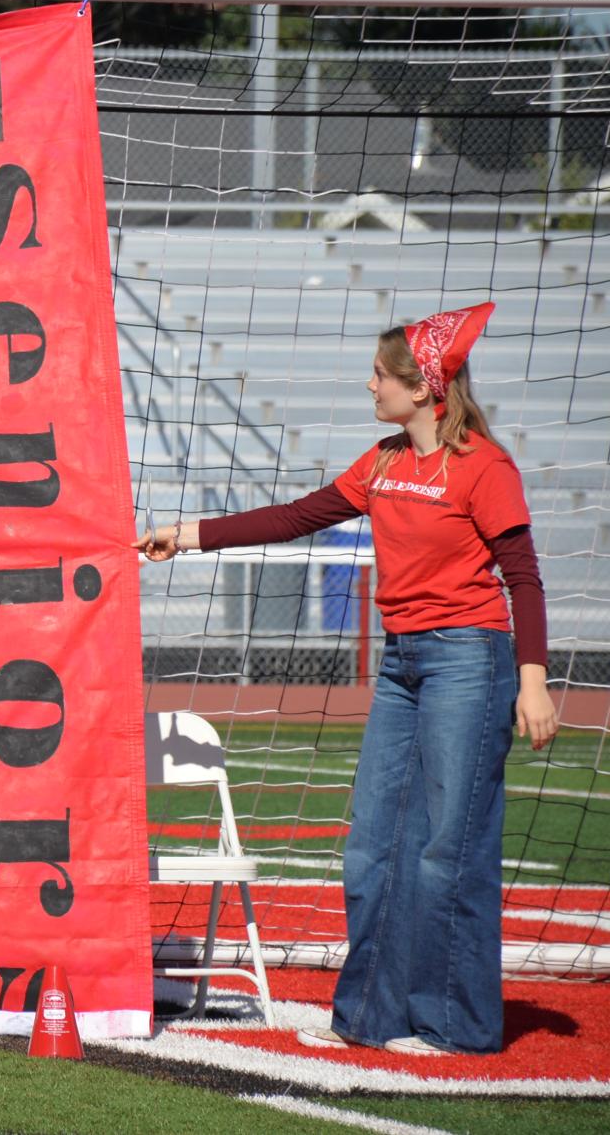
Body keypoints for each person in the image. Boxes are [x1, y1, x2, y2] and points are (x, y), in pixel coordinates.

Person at [135, 303, 558, 1056]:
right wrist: (189, 535)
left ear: (423, 387)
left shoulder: (484, 468)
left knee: (445, 850)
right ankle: (370, 1017)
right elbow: (297, 516)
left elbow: (523, 579)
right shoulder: (383, 460)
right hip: (401, 664)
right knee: (371, 845)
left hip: (469, 658)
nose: (368, 386)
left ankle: (454, 1025)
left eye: (380, 376)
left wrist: (532, 682)